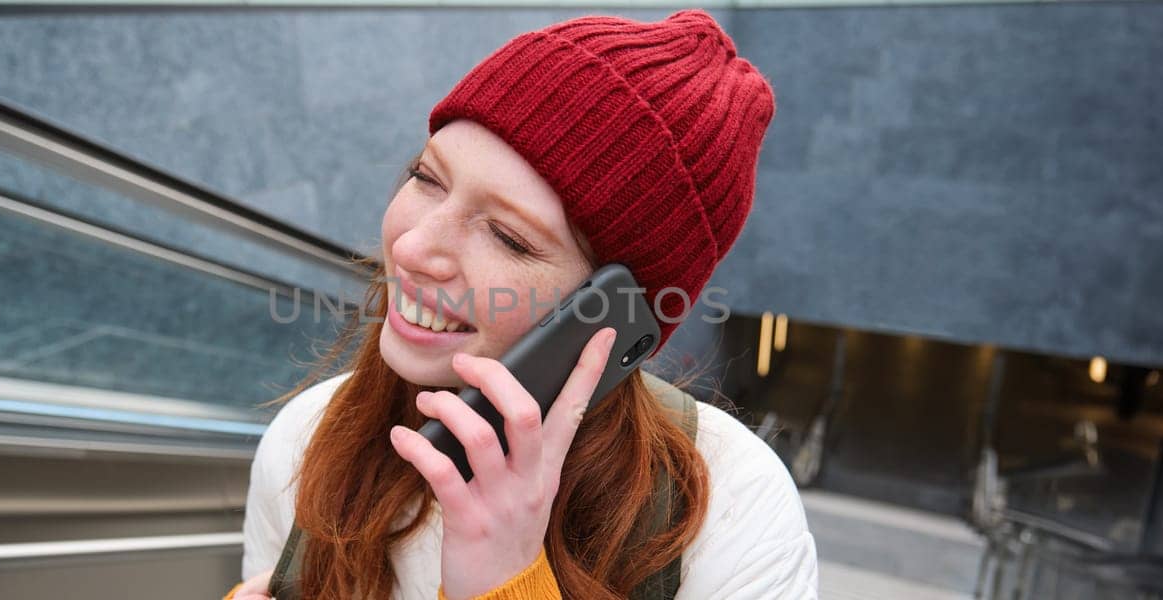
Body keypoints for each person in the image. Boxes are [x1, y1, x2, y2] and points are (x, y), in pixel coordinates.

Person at [226, 9, 816, 599]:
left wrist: (506, 581)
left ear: (616, 315)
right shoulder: (305, 439)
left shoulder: (732, 512)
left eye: (509, 238)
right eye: (427, 178)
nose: (410, 247)